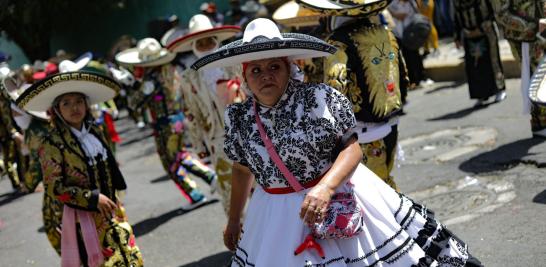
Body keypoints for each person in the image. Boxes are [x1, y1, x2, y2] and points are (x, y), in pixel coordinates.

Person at [192, 18, 482, 267]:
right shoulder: (239, 117)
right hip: (274, 219)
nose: (266, 75)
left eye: (274, 67)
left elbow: (352, 148)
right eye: (256, 70)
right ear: (245, 75)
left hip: (335, 201)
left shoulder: (319, 98)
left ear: (288, 67)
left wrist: (325, 188)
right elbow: (242, 169)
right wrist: (233, 220)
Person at [16, 71, 143, 266]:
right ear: (56, 109)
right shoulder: (52, 143)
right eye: (66, 103)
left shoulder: (94, 130)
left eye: (78, 101)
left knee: (129, 256)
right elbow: (54, 188)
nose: (74, 107)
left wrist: (117, 191)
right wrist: (92, 198)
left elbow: (109, 164)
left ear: (86, 104)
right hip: (83, 218)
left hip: (112, 210)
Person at [298, 0, 410, 190]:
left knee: (367, 193)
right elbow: (404, 76)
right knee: (386, 183)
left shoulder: (338, 42)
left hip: (359, 135)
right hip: (390, 123)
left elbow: (335, 88)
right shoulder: (386, 32)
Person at [116, 37, 218, 207]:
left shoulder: (151, 79)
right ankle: (209, 177)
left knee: (170, 162)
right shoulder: (171, 70)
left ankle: (195, 194)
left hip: (164, 124)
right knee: (180, 155)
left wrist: (131, 85)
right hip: (177, 119)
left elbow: (135, 103)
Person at [168, 14, 243, 214]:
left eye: (209, 40)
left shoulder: (232, 63)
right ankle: (241, 237)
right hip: (215, 138)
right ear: (193, 45)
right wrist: (198, 144)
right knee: (228, 187)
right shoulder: (188, 77)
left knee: (257, 183)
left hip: (245, 131)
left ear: (216, 40)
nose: (205, 45)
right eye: (200, 42)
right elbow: (192, 113)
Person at [490, 0, 546, 138]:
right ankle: (540, 123)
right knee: (535, 75)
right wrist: (534, 25)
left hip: (542, 31)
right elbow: (502, 14)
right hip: (524, 37)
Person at [453, 0, 506, 106]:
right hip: (469, 35)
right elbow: (457, 17)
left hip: (487, 32)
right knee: (475, 66)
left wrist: (481, 28)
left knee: (492, 61)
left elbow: (493, 12)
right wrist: (457, 37)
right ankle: (481, 94)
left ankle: (500, 89)